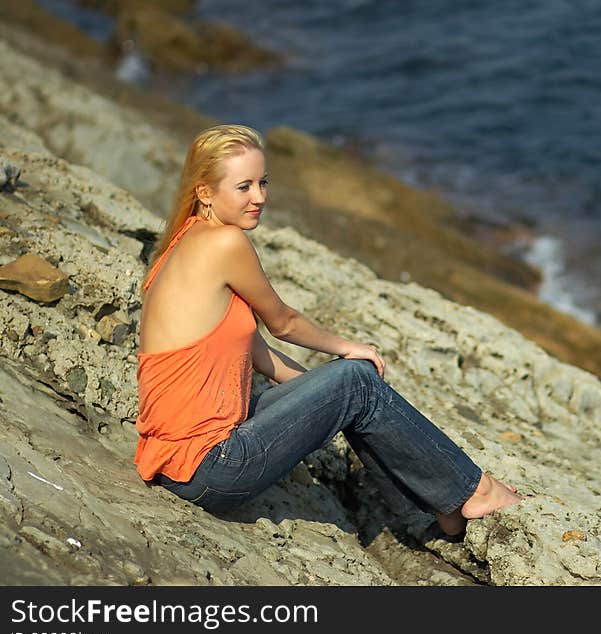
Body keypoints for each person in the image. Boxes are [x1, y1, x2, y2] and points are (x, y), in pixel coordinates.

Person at [134, 124, 521, 536]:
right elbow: (283, 323)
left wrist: (322, 399)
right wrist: (350, 351)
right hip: (212, 466)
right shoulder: (224, 244)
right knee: (357, 379)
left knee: (350, 390)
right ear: (205, 192)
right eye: (244, 187)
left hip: (184, 462)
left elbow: (255, 352)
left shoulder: (182, 244)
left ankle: (439, 510)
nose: (260, 198)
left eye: (263, 183)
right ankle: (473, 490)